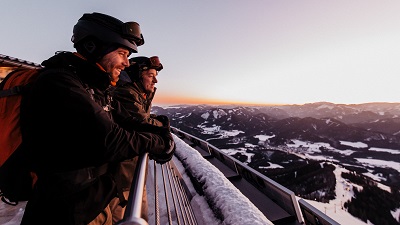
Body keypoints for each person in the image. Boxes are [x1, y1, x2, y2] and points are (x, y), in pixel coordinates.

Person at [19, 12, 174, 225]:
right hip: (67, 211)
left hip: (95, 203)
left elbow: (126, 119)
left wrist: (161, 133)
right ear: (93, 47)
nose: (126, 63)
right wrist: (159, 142)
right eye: (122, 53)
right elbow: (110, 139)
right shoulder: (59, 83)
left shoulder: (95, 86)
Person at [110, 56, 167, 223]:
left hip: (131, 170)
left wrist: (158, 120)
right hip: (121, 176)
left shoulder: (139, 94)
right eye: (151, 75)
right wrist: (163, 126)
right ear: (137, 75)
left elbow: (142, 116)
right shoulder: (125, 93)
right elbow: (140, 121)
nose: (155, 80)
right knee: (124, 217)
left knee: (140, 215)